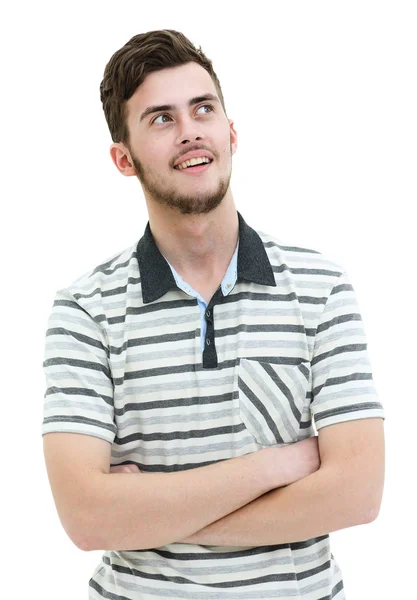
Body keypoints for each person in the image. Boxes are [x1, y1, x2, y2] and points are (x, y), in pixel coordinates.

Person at [41, 29, 385, 600]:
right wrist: (276, 467)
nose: (190, 131)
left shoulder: (321, 288)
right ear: (123, 159)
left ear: (230, 131)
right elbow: (86, 517)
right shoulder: (85, 311)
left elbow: (358, 494)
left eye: (203, 109)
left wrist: (150, 514)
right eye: (161, 119)